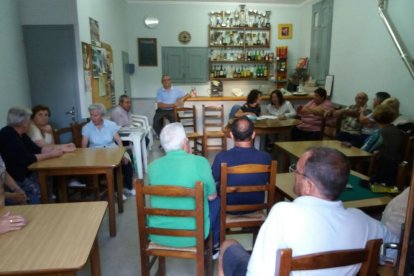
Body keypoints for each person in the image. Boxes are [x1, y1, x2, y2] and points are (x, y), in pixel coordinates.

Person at [218, 147, 398, 276]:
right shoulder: (364, 222)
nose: (294, 175)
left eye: (297, 171)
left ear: (309, 185)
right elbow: (396, 249)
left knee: (228, 245)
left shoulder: (283, 213)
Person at [147, 122, 220, 256]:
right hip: (193, 235)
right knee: (215, 200)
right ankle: (214, 244)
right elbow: (212, 196)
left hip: (158, 234)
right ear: (185, 142)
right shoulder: (200, 162)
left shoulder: (152, 167)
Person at [0, 107, 65, 204]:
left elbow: (37, 149)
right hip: (16, 177)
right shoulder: (7, 135)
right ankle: (42, 209)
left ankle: (50, 204)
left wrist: (61, 149)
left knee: (48, 178)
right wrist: (51, 155)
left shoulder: (21, 134)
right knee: (37, 190)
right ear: (24, 123)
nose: (30, 123)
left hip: (27, 171)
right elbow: (27, 159)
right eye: (29, 120)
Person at [212, 117, 271, 211]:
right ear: (253, 135)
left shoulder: (221, 157)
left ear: (231, 135)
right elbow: (269, 180)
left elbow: (213, 179)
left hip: (228, 208)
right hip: (256, 207)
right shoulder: (266, 157)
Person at [81, 103, 135, 197]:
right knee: (111, 166)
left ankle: (128, 187)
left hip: (112, 150)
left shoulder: (111, 125)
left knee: (127, 162)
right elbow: (83, 146)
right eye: (91, 115)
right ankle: (115, 191)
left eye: (96, 115)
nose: (93, 118)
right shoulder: (87, 128)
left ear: (102, 115)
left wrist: (122, 152)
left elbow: (118, 140)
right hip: (96, 154)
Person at [361, 104, 405, 186]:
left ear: (375, 118)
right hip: (393, 164)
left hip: (379, 163)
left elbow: (364, 150)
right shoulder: (397, 131)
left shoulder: (379, 133)